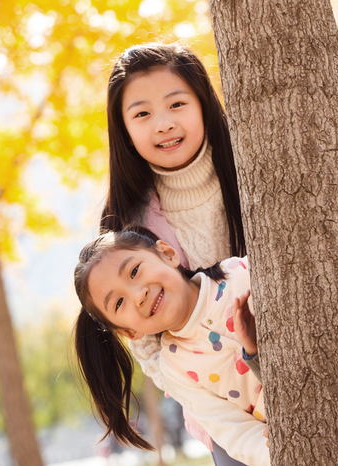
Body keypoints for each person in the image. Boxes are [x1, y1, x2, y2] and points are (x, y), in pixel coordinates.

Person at [97, 42, 261, 465]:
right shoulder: (127, 226)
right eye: (142, 114)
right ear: (125, 130)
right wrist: (206, 387)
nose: (163, 125)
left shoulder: (254, 169)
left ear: (203, 103)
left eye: (177, 104)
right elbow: (147, 345)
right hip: (224, 404)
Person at [73, 229, 269, 466]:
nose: (138, 296)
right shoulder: (176, 369)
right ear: (129, 332)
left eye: (134, 271)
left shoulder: (240, 273)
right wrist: (273, 450)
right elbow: (232, 430)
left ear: (167, 254)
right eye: (119, 302)